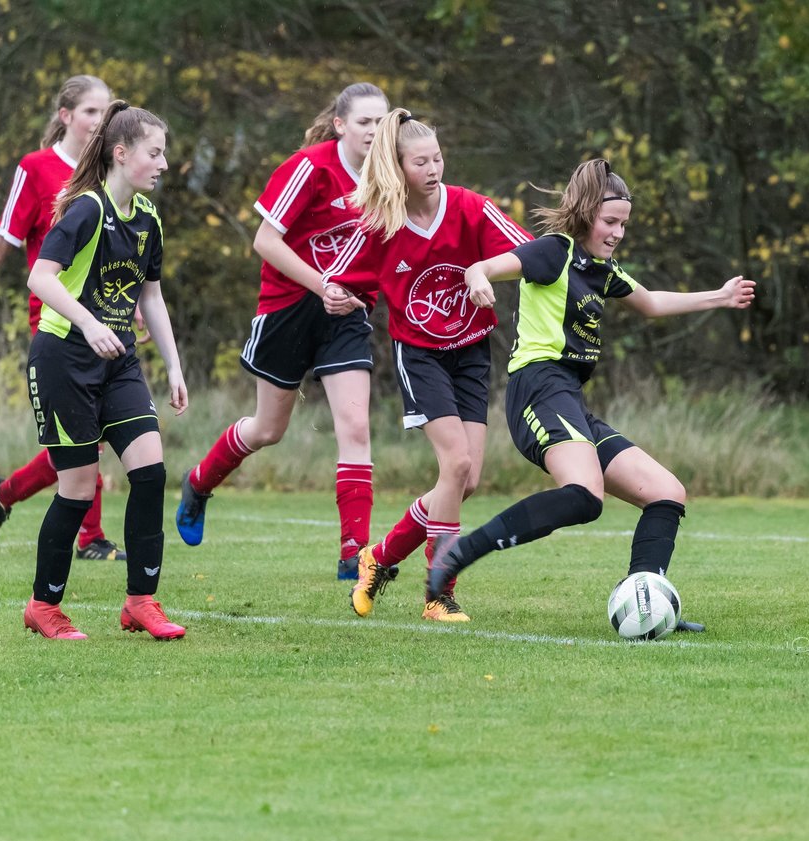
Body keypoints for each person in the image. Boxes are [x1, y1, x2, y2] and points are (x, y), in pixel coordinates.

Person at [425, 158, 755, 629]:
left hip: (568, 398)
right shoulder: (552, 252)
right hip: (537, 388)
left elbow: (653, 302)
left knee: (666, 493)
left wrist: (718, 297)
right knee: (584, 495)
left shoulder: (602, 269)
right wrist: (477, 280)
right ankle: (458, 553)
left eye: (623, 223)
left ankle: (648, 600)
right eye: (611, 221)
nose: (618, 232)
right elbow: (484, 267)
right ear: (584, 213)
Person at [174, 83, 389, 582]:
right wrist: (322, 285)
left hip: (346, 316)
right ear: (340, 125)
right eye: (364, 123)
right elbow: (264, 240)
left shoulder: (392, 181)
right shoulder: (311, 167)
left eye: (382, 123)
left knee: (355, 429)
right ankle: (200, 482)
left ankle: (353, 552)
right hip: (289, 308)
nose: (375, 133)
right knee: (268, 429)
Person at [325, 108, 532, 622]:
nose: (434, 168)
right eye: (421, 162)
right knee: (454, 465)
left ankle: (380, 557)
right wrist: (334, 295)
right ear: (398, 168)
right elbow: (338, 276)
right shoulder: (381, 223)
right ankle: (438, 592)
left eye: (438, 157)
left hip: (471, 354)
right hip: (419, 356)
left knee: (465, 481)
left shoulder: (470, 208)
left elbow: (533, 252)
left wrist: (485, 271)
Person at [23, 100, 187, 639]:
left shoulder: (148, 218)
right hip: (64, 357)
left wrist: (175, 365)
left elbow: (153, 297)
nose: (164, 163)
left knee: (150, 472)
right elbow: (42, 278)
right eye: (155, 153)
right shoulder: (88, 210)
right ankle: (43, 607)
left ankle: (140, 601)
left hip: (118, 362)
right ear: (122, 154)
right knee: (78, 487)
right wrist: (90, 322)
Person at [0, 75, 128, 561]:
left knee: (103, 428)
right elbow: (4, 237)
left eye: (105, 111)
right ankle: (90, 538)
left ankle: (3, 494)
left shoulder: (113, 170)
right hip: (54, 320)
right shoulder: (37, 168)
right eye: (90, 110)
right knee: (81, 431)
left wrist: (133, 311)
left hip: (108, 317)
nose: (99, 120)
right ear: (66, 116)